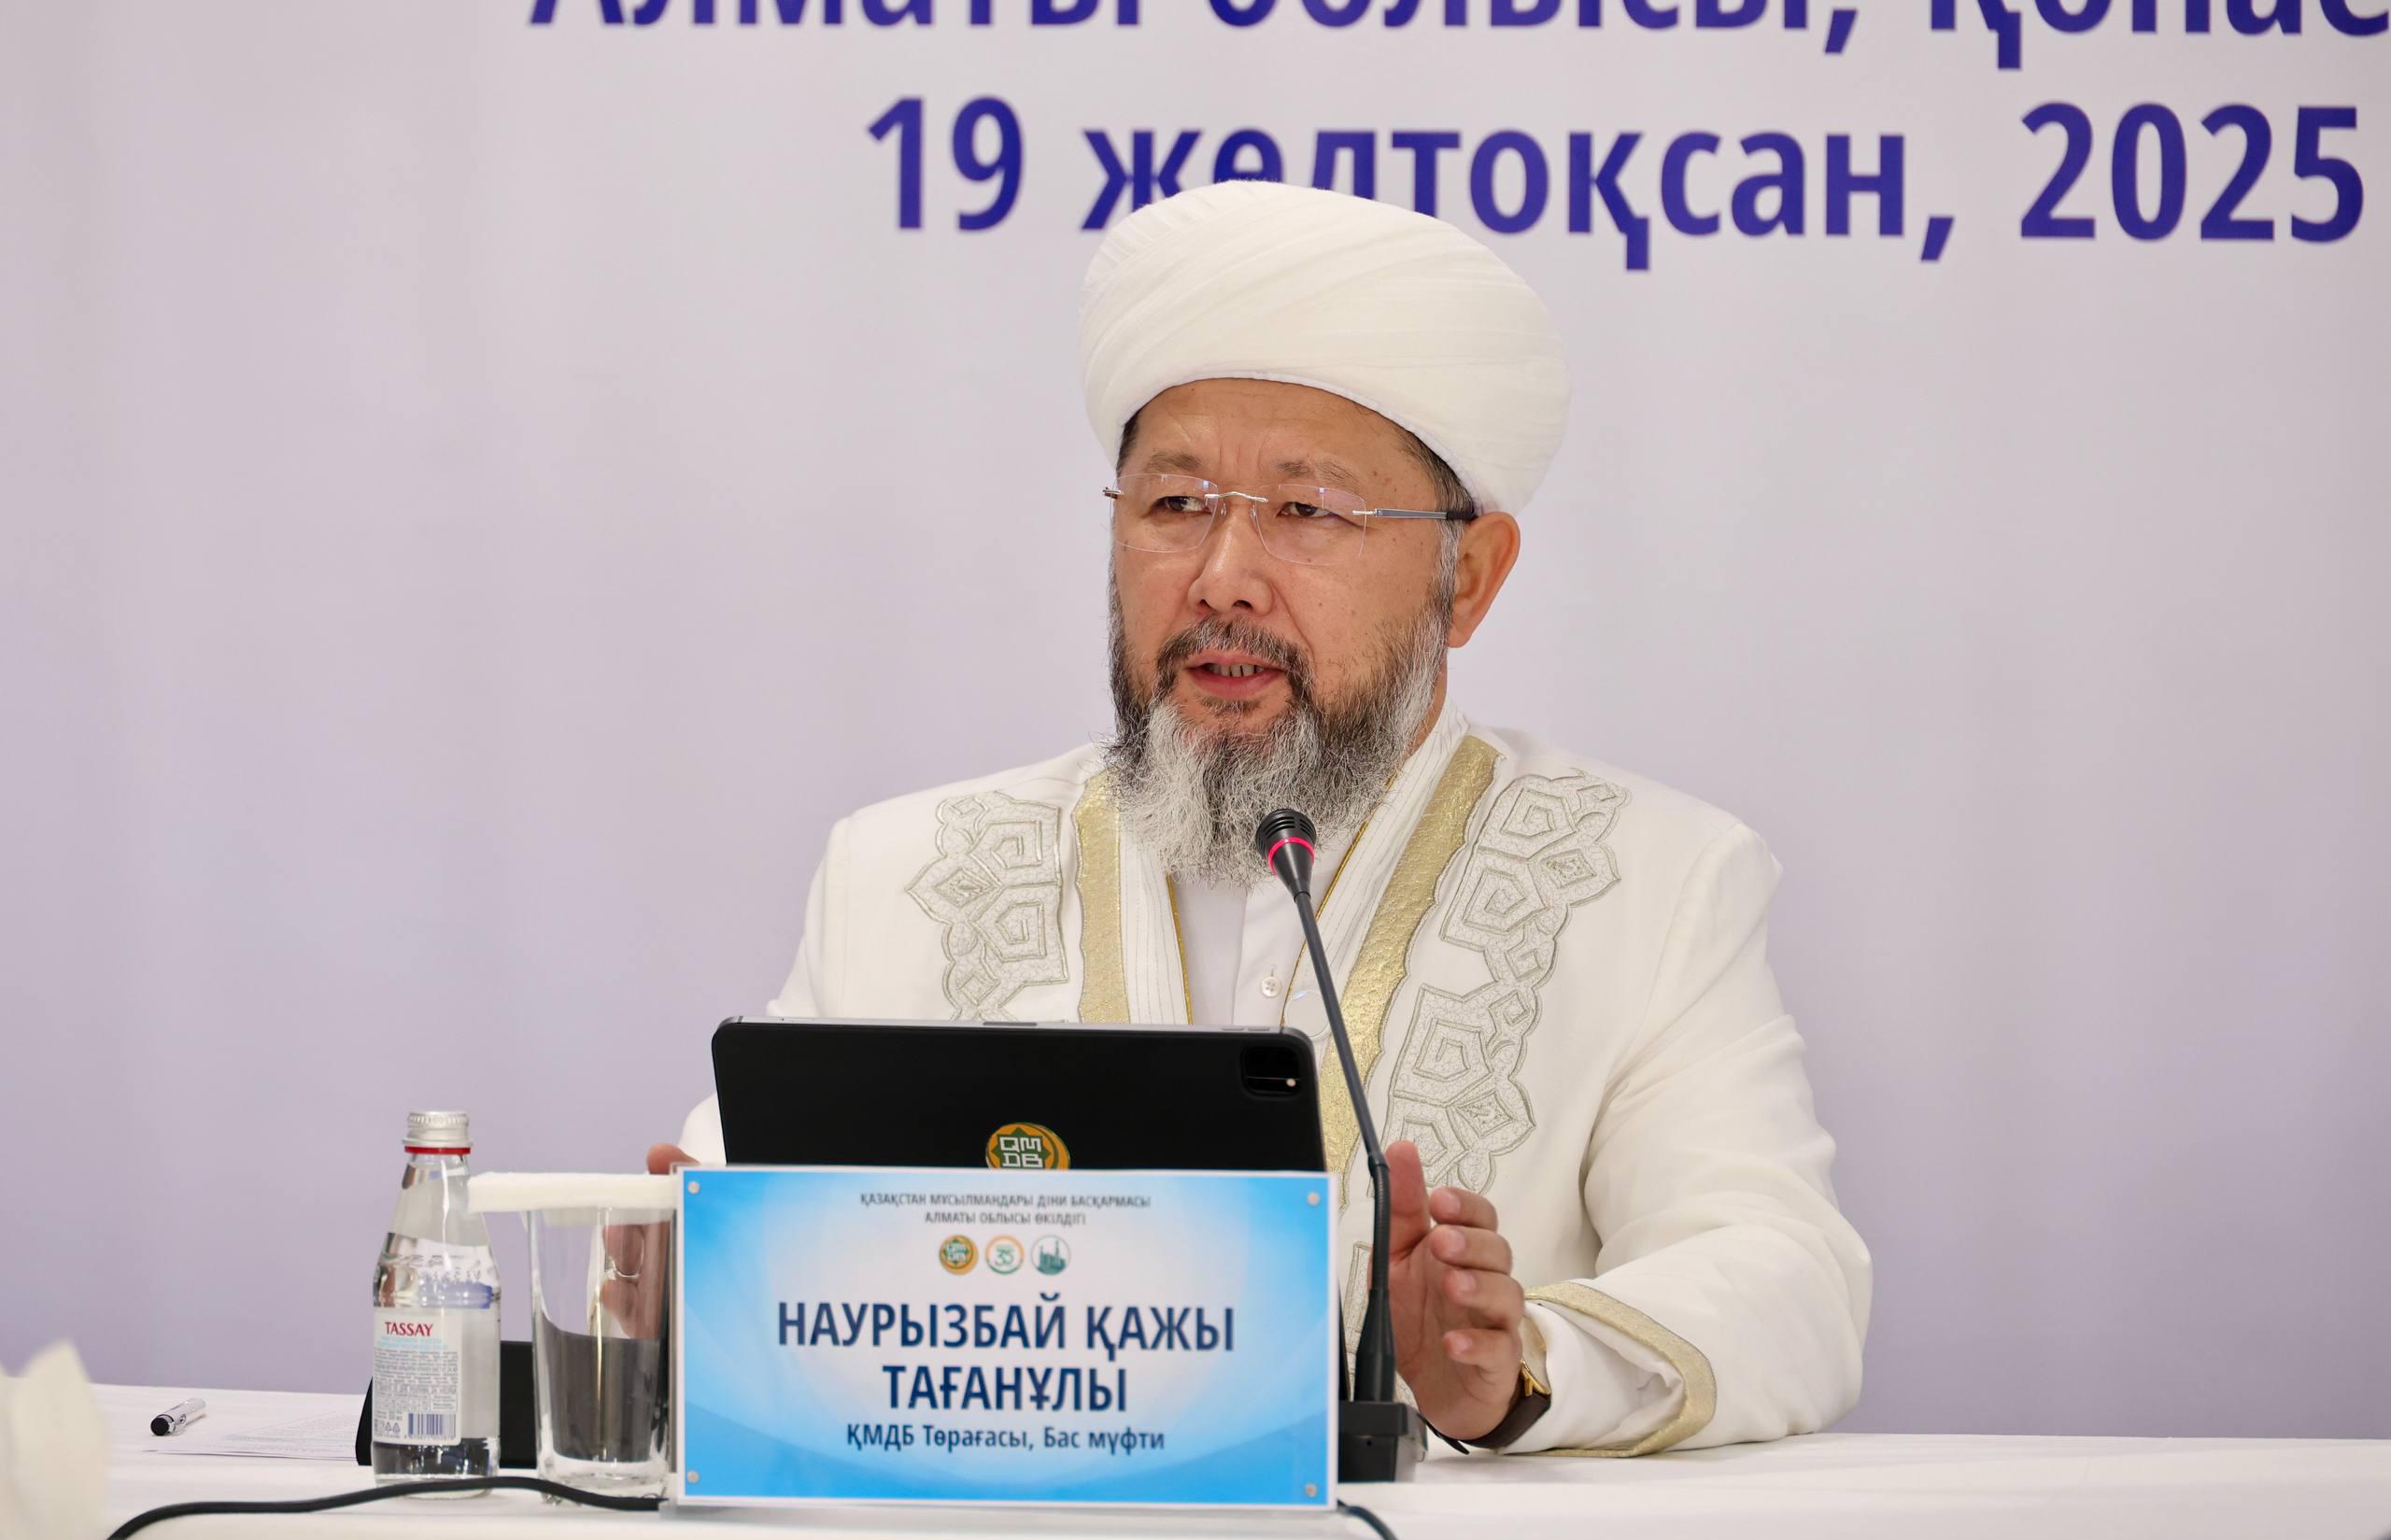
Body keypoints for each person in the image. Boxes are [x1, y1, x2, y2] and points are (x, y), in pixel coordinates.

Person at [656, 180, 1870, 1455]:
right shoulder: (902, 874)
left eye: (1307, 513)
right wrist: (686, 1285)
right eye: (1174, 506)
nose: (1222, 578)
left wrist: (1518, 1366)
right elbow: (727, 1227)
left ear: (1469, 577)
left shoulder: (1652, 881)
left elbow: (1785, 1275)